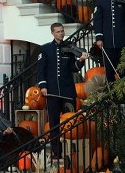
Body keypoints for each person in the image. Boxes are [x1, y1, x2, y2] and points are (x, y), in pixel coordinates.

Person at [36, 22, 89, 162]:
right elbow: (41, 69)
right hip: (52, 92)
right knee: (54, 123)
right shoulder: (45, 49)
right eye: (58, 31)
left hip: (68, 92)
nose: (61, 33)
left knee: (70, 121)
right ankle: (57, 152)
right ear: (52, 33)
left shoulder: (69, 49)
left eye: (62, 31)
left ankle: (71, 152)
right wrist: (43, 86)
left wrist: (82, 60)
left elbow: (74, 68)